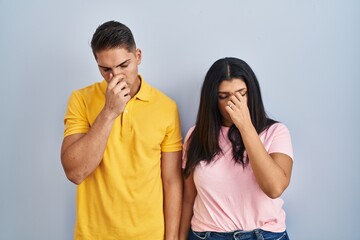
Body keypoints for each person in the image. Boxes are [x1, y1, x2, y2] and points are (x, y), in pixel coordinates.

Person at [61, 20, 183, 240]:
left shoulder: (166, 107)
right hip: (93, 235)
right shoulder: (80, 99)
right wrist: (109, 111)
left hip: (149, 234)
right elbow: (75, 172)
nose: (115, 76)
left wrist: (172, 238)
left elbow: (172, 180)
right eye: (105, 69)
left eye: (123, 65)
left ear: (138, 56)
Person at [179, 57, 294, 240]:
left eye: (241, 94)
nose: (233, 102)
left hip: (263, 235)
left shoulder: (275, 132)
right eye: (223, 96)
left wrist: (246, 127)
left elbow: (274, 188)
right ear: (212, 99)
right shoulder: (196, 136)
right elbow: (188, 198)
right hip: (207, 235)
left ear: (251, 94)